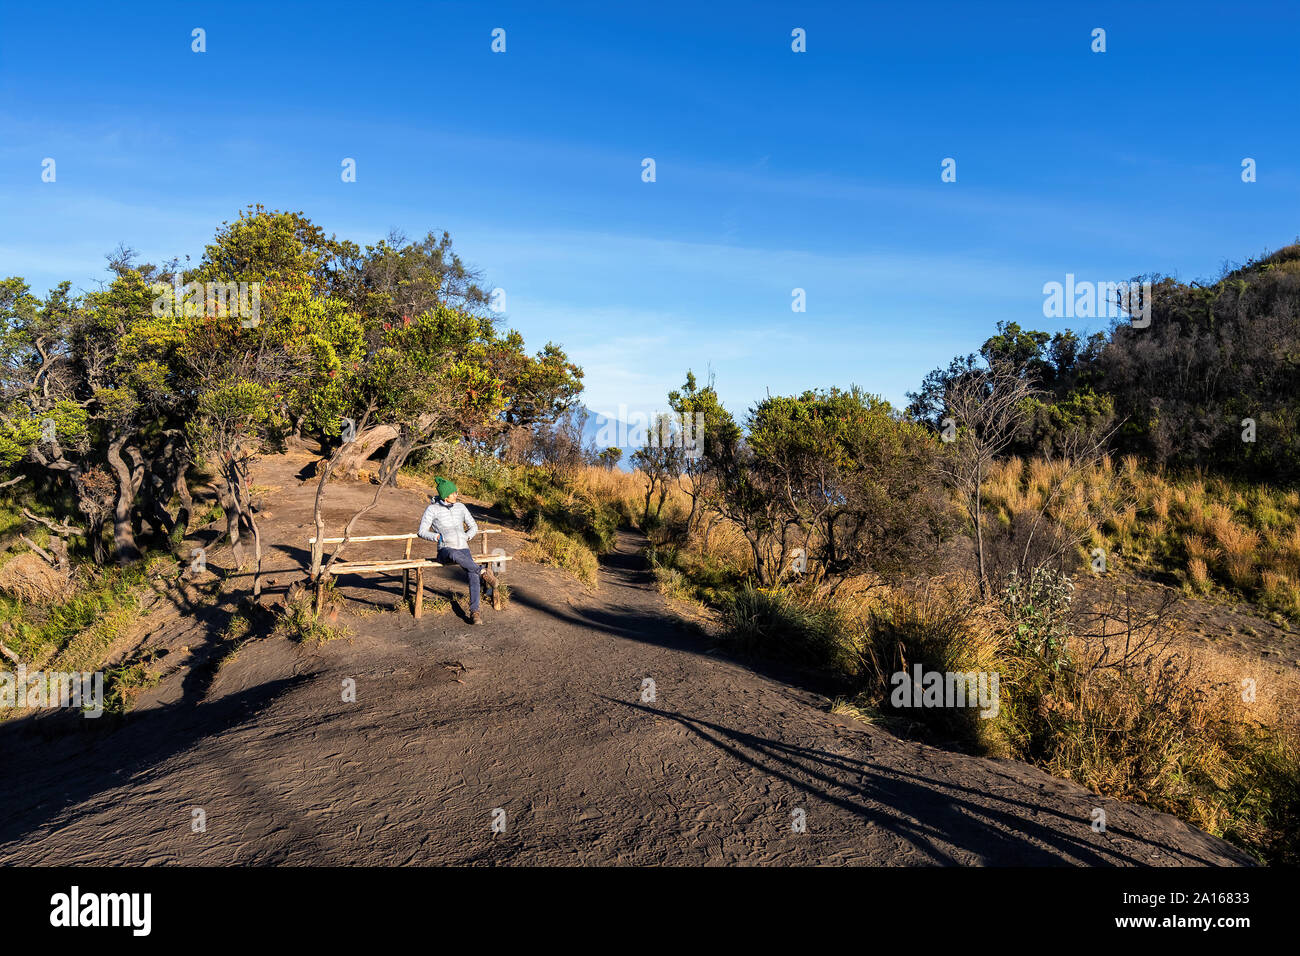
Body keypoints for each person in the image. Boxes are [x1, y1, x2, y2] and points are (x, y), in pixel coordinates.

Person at [417, 476, 499, 624]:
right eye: (453, 493)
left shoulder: (461, 507)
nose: (456, 495)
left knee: (472, 574)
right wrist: (437, 537)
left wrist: (466, 537)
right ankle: (482, 571)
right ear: (445, 496)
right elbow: (421, 531)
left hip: (463, 548)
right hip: (445, 551)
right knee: (457, 556)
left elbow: (473, 526)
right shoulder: (432, 509)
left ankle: (475, 613)